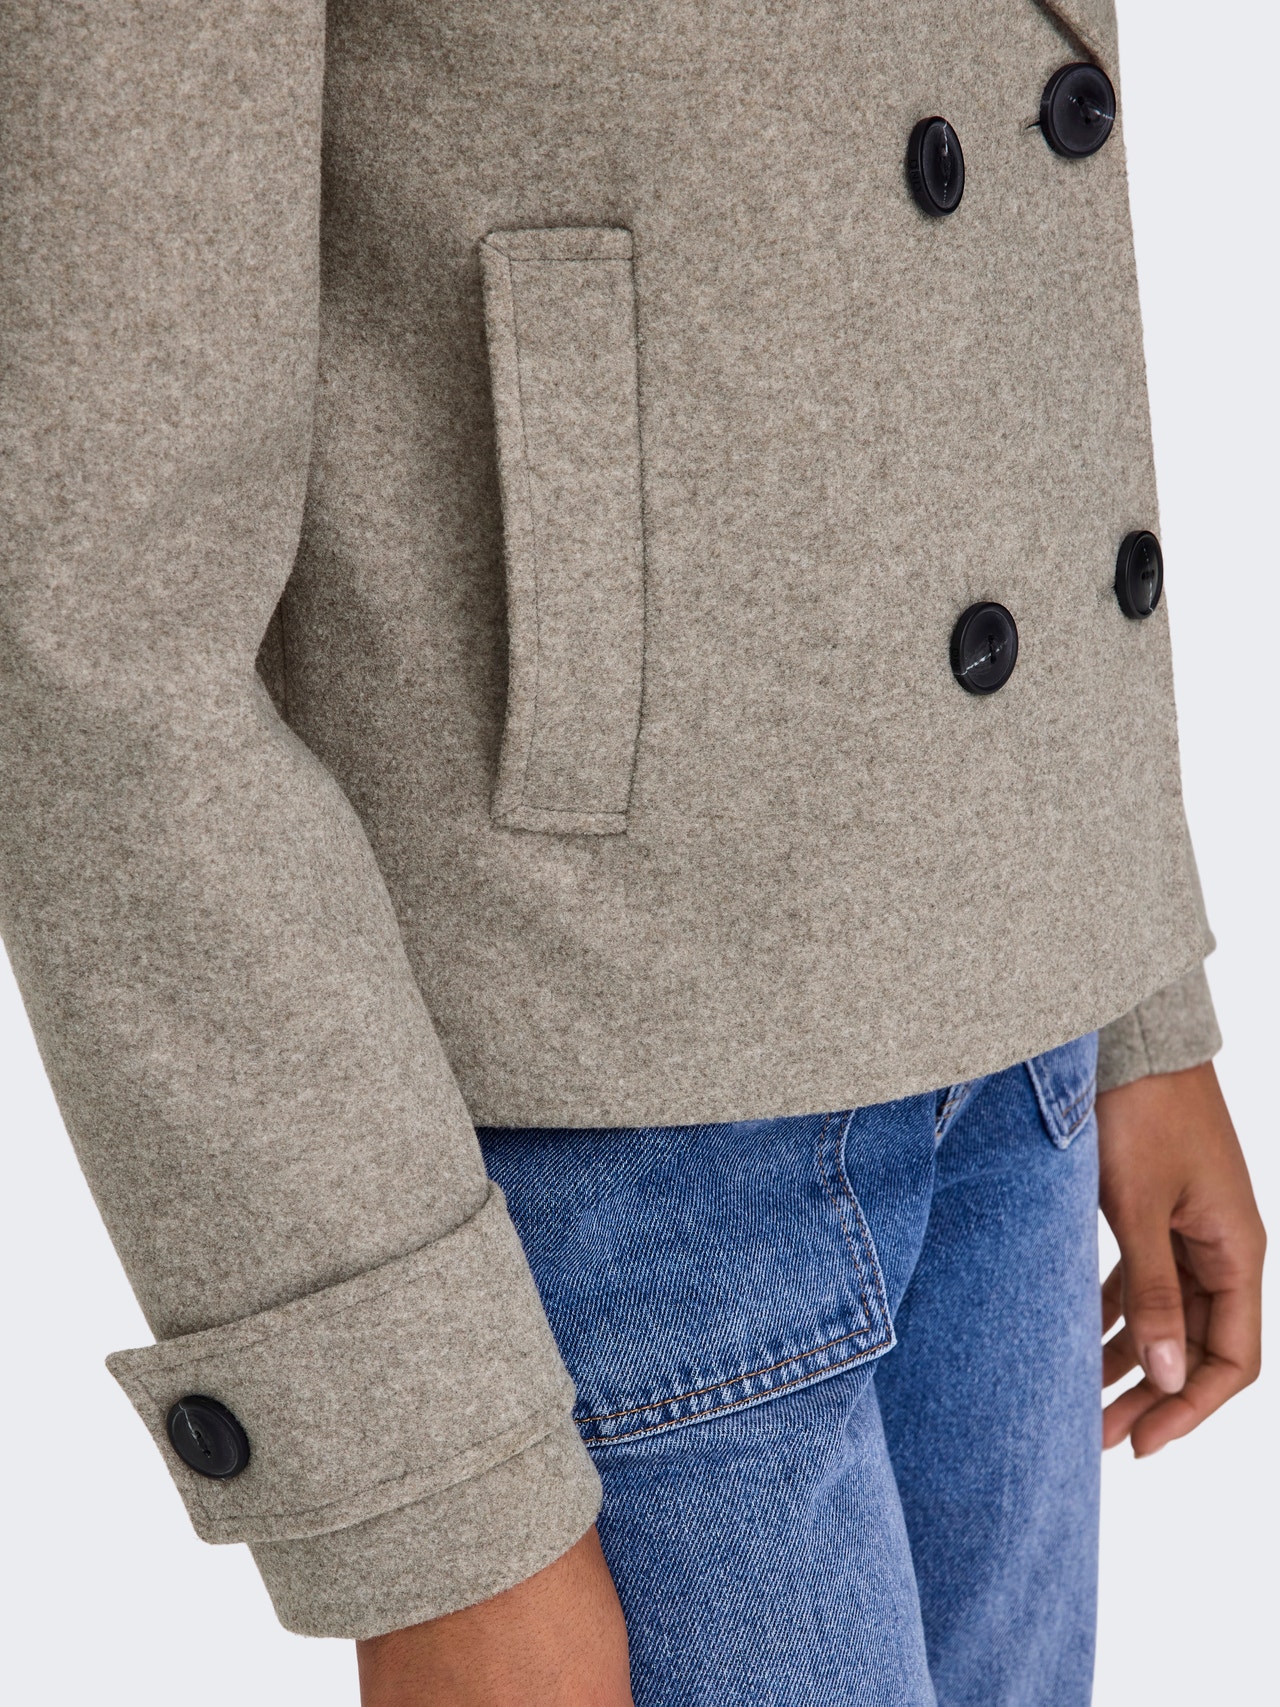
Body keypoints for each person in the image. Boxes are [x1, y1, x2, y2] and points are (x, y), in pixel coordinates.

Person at [0, 2, 1263, 1704]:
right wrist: (432, 1494)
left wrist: (1129, 990)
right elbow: (89, 624)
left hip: (1016, 1040)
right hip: (610, 1145)